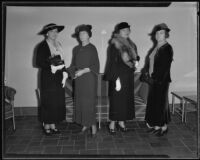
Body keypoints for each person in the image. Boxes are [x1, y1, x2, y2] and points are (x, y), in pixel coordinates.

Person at [104, 22, 140, 134]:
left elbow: (134, 59)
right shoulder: (114, 44)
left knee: (125, 101)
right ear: (118, 32)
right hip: (118, 77)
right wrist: (116, 79)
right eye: (124, 30)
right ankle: (112, 123)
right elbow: (112, 63)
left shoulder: (132, 44)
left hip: (128, 76)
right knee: (116, 101)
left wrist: (136, 62)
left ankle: (121, 122)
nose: (127, 31)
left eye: (128, 29)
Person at [140, 23, 173, 137]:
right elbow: (150, 62)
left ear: (166, 35)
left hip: (161, 81)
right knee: (154, 103)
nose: (159, 35)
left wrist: (155, 79)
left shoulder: (167, 48)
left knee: (160, 103)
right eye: (157, 33)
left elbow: (164, 67)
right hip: (153, 80)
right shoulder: (156, 47)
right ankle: (157, 126)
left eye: (161, 33)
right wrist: (146, 72)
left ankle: (163, 127)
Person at [67, 24, 100, 136]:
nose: (81, 35)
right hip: (79, 80)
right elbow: (73, 65)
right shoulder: (76, 49)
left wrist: (83, 71)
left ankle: (93, 125)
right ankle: (85, 124)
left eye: (84, 33)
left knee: (89, 103)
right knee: (81, 102)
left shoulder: (92, 48)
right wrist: (73, 73)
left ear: (89, 35)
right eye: (80, 34)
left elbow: (96, 65)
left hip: (89, 79)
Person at [36, 23, 68, 135]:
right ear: (47, 33)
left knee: (55, 102)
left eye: (56, 31)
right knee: (48, 101)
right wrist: (51, 67)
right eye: (52, 31)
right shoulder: (42, 46)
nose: (55, 33)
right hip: (48, 78)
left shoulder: (58, 45)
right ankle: (47, 126)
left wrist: (65, 73)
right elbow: (38, 62)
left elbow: (62, 61)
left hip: (58, 77)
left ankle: (53, 124)